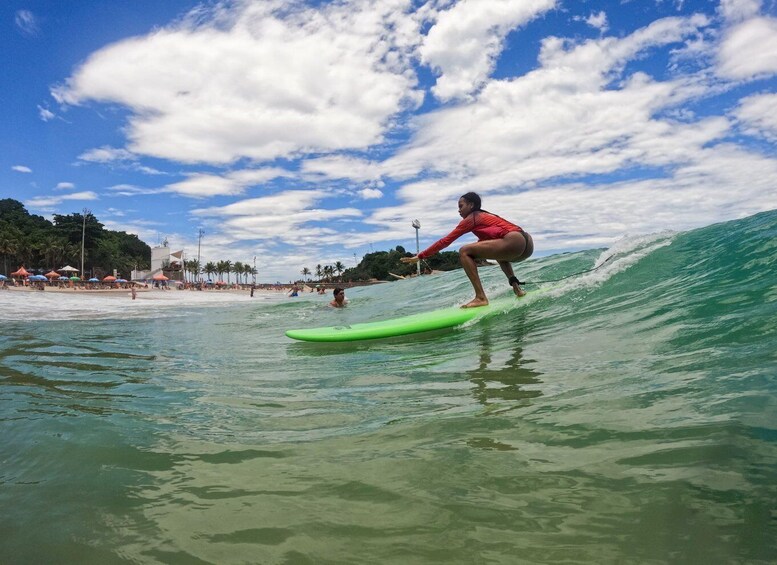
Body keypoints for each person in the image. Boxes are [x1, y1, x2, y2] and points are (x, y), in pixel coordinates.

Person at [401, 191, 533, 308]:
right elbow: (490, 240)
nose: (459, 210)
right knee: (498, 254)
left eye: (461, 206)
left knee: (464, 251)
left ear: (471, 205)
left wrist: (420, 256)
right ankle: (517, 289)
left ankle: (481, 297)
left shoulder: (472, 218)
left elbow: (445, 241)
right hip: (526, 243)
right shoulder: (487, 216)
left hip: (513, 241)